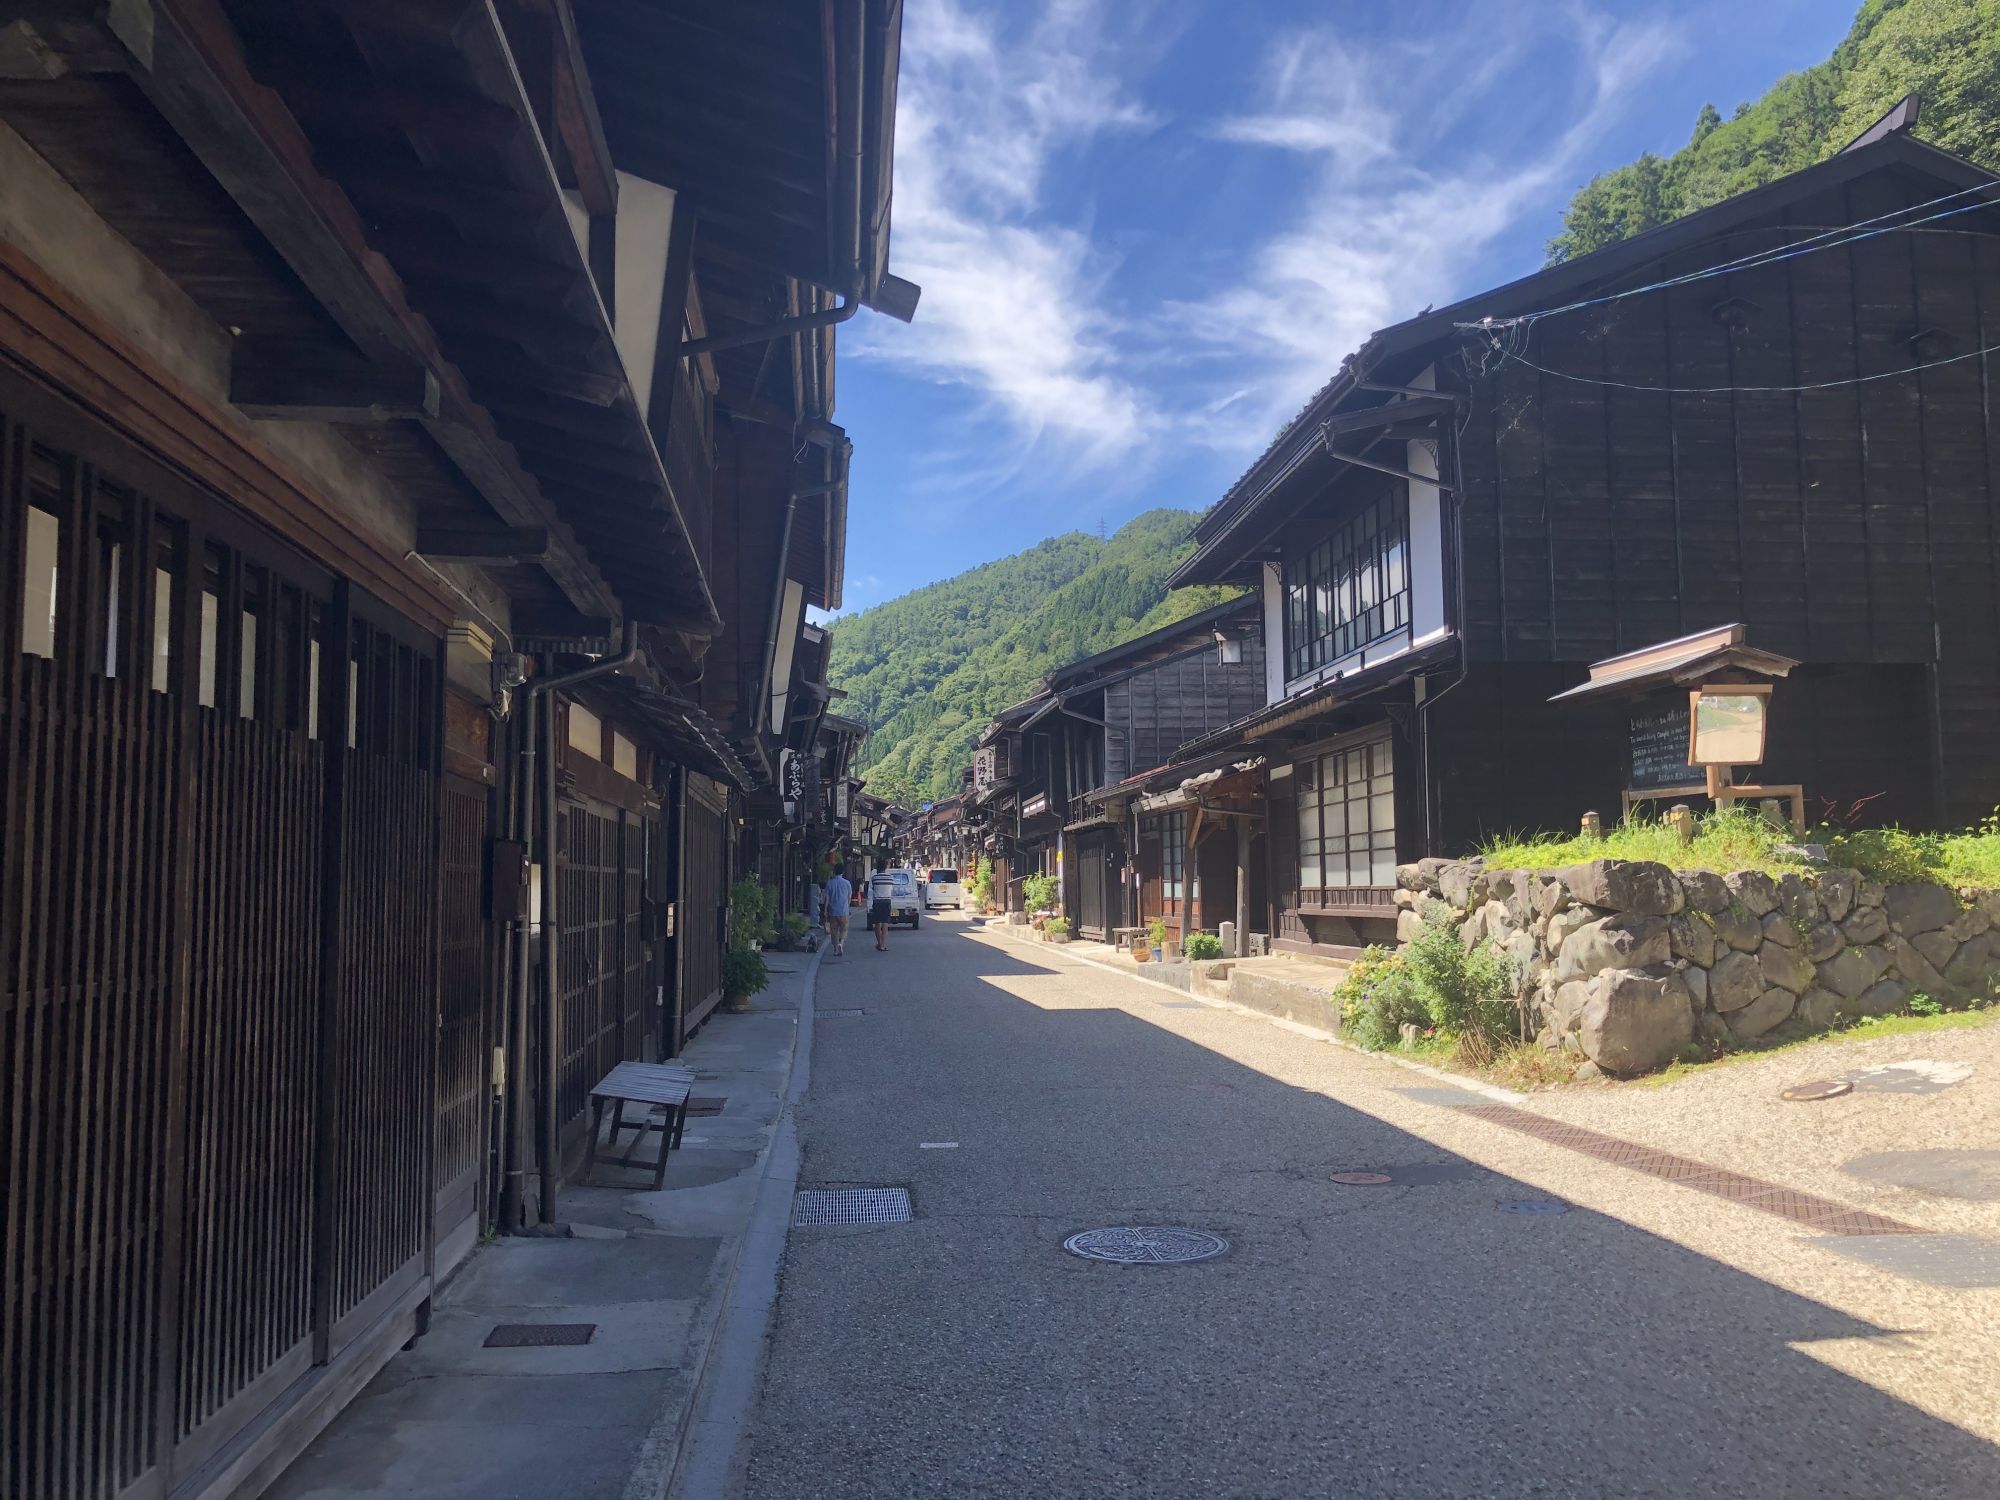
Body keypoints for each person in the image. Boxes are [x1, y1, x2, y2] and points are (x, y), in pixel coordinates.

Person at [823, 867, 852, 957]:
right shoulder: (847, 883)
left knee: (834, 930)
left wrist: (825, 910)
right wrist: (847, 906)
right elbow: (849, 897)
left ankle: (835, 949)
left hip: (833, 911)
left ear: (834, 872)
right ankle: (841, 943)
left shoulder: (830, 883)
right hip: (844, 910)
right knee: (844, 929)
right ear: (843, 872)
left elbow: (826, 898)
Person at [868, 862, 894, 952]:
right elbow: (891, 888)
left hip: (877, 902)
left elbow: (873, 888)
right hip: (887, 901)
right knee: (885, 923)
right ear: (885, 868)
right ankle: (883, 944)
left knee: (877, 923)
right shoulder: (890, 877)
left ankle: (879, 944)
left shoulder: (874, 878)